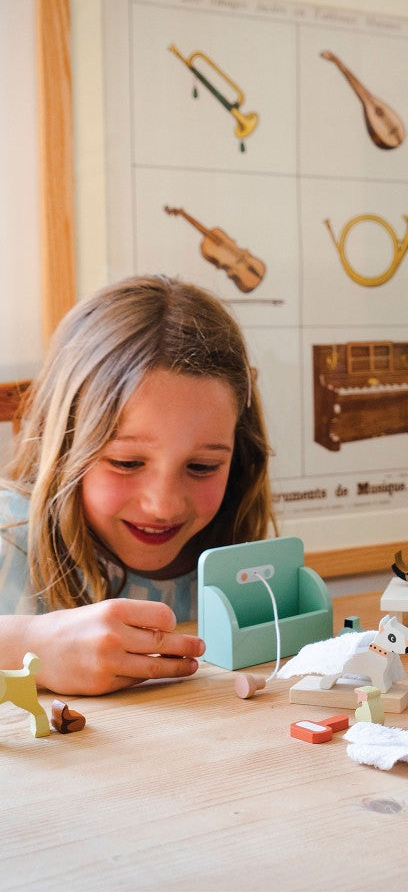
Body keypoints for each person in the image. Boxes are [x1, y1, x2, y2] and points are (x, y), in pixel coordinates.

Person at [0, 275, 276, 694]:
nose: (163, 506)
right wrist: (27, 645)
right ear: (66, 442)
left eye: (201, 467)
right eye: (126, 462)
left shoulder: (236, 565)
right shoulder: (10, 535)